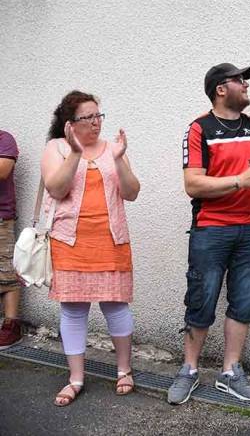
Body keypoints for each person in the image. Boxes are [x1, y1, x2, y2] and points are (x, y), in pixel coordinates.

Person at [167, 63, 250, 405]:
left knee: (245, 300)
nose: (246, 85)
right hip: (211, 230)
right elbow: (193, 183)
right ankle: (189, 369)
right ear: (221, 89)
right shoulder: (199, 128)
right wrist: (241, 180)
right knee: (201, 299)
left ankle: (230, 372)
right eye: (240, 80)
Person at [41, 90, 140, 406]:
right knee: (73, 309)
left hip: (111, 240)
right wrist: (74, 153)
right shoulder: (55, 148)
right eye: (89, 117)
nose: (96, 122)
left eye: (99, 115)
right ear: (70, 123)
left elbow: (132, 192)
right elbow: (56, 189)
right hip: (70, 241)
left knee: (116, 305)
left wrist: (121, 158)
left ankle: (124, 370)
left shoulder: (113, 148)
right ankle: (76, 378)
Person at [0, 130, 22, 350]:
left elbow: (3, 170)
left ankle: (11, 325)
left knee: (6, 273)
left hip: (1, 218)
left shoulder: (3, 138)